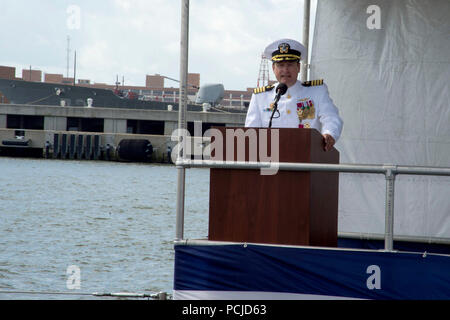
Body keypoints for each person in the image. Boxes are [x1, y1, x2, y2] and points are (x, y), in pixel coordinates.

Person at [245, 38, 343, 151]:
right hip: (270, 158)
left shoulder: (316, 91)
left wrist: (329, 134)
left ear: (298, 67)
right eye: (280, 65)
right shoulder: (260, 97)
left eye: (290, 64)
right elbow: (251, 133)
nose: (285, 70)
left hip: (306, 156)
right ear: (273, 68)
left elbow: (331, 117)